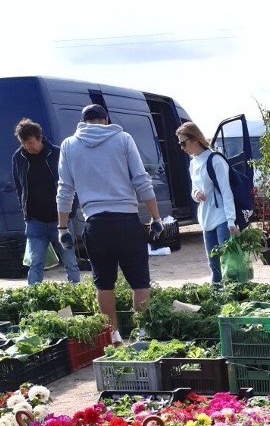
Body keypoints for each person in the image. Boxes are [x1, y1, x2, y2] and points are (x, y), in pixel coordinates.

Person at [57, 104, 164, 344]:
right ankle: (142, 335)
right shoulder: (123, 139)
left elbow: (65, 190)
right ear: (106, 120)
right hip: (126, 220)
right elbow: (141, 180)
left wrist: (62, 228)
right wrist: (156, 218)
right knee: (139, 282)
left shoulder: (69, 146)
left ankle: (114, 337)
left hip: (95, 224)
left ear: (82, 122)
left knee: (104, 284)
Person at [12, 119, 82, 286]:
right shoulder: (18, 157)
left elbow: (73, 183)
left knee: (70, 261)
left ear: (40, 137)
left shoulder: (57, 153)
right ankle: (34, 299)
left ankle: (77, 294)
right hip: (35, 221)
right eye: (23, 143)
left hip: (60, 220)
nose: (27, 147)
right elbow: (19, 187)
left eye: (30, 142)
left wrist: (71, 211)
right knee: (35, 262)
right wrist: (25, 213)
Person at [175, 121, 238, 285]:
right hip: (205, 218)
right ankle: (217, 297)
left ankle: (232, 296)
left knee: (227, 262)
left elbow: (226, 191)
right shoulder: (193, 163)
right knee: (213, 264)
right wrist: (196, 194)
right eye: (180, 144)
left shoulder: (215, 160)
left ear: (195, 139)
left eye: (184, 143)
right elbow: (194, 190)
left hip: (222, 217)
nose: (182, 148)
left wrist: (231, 220)